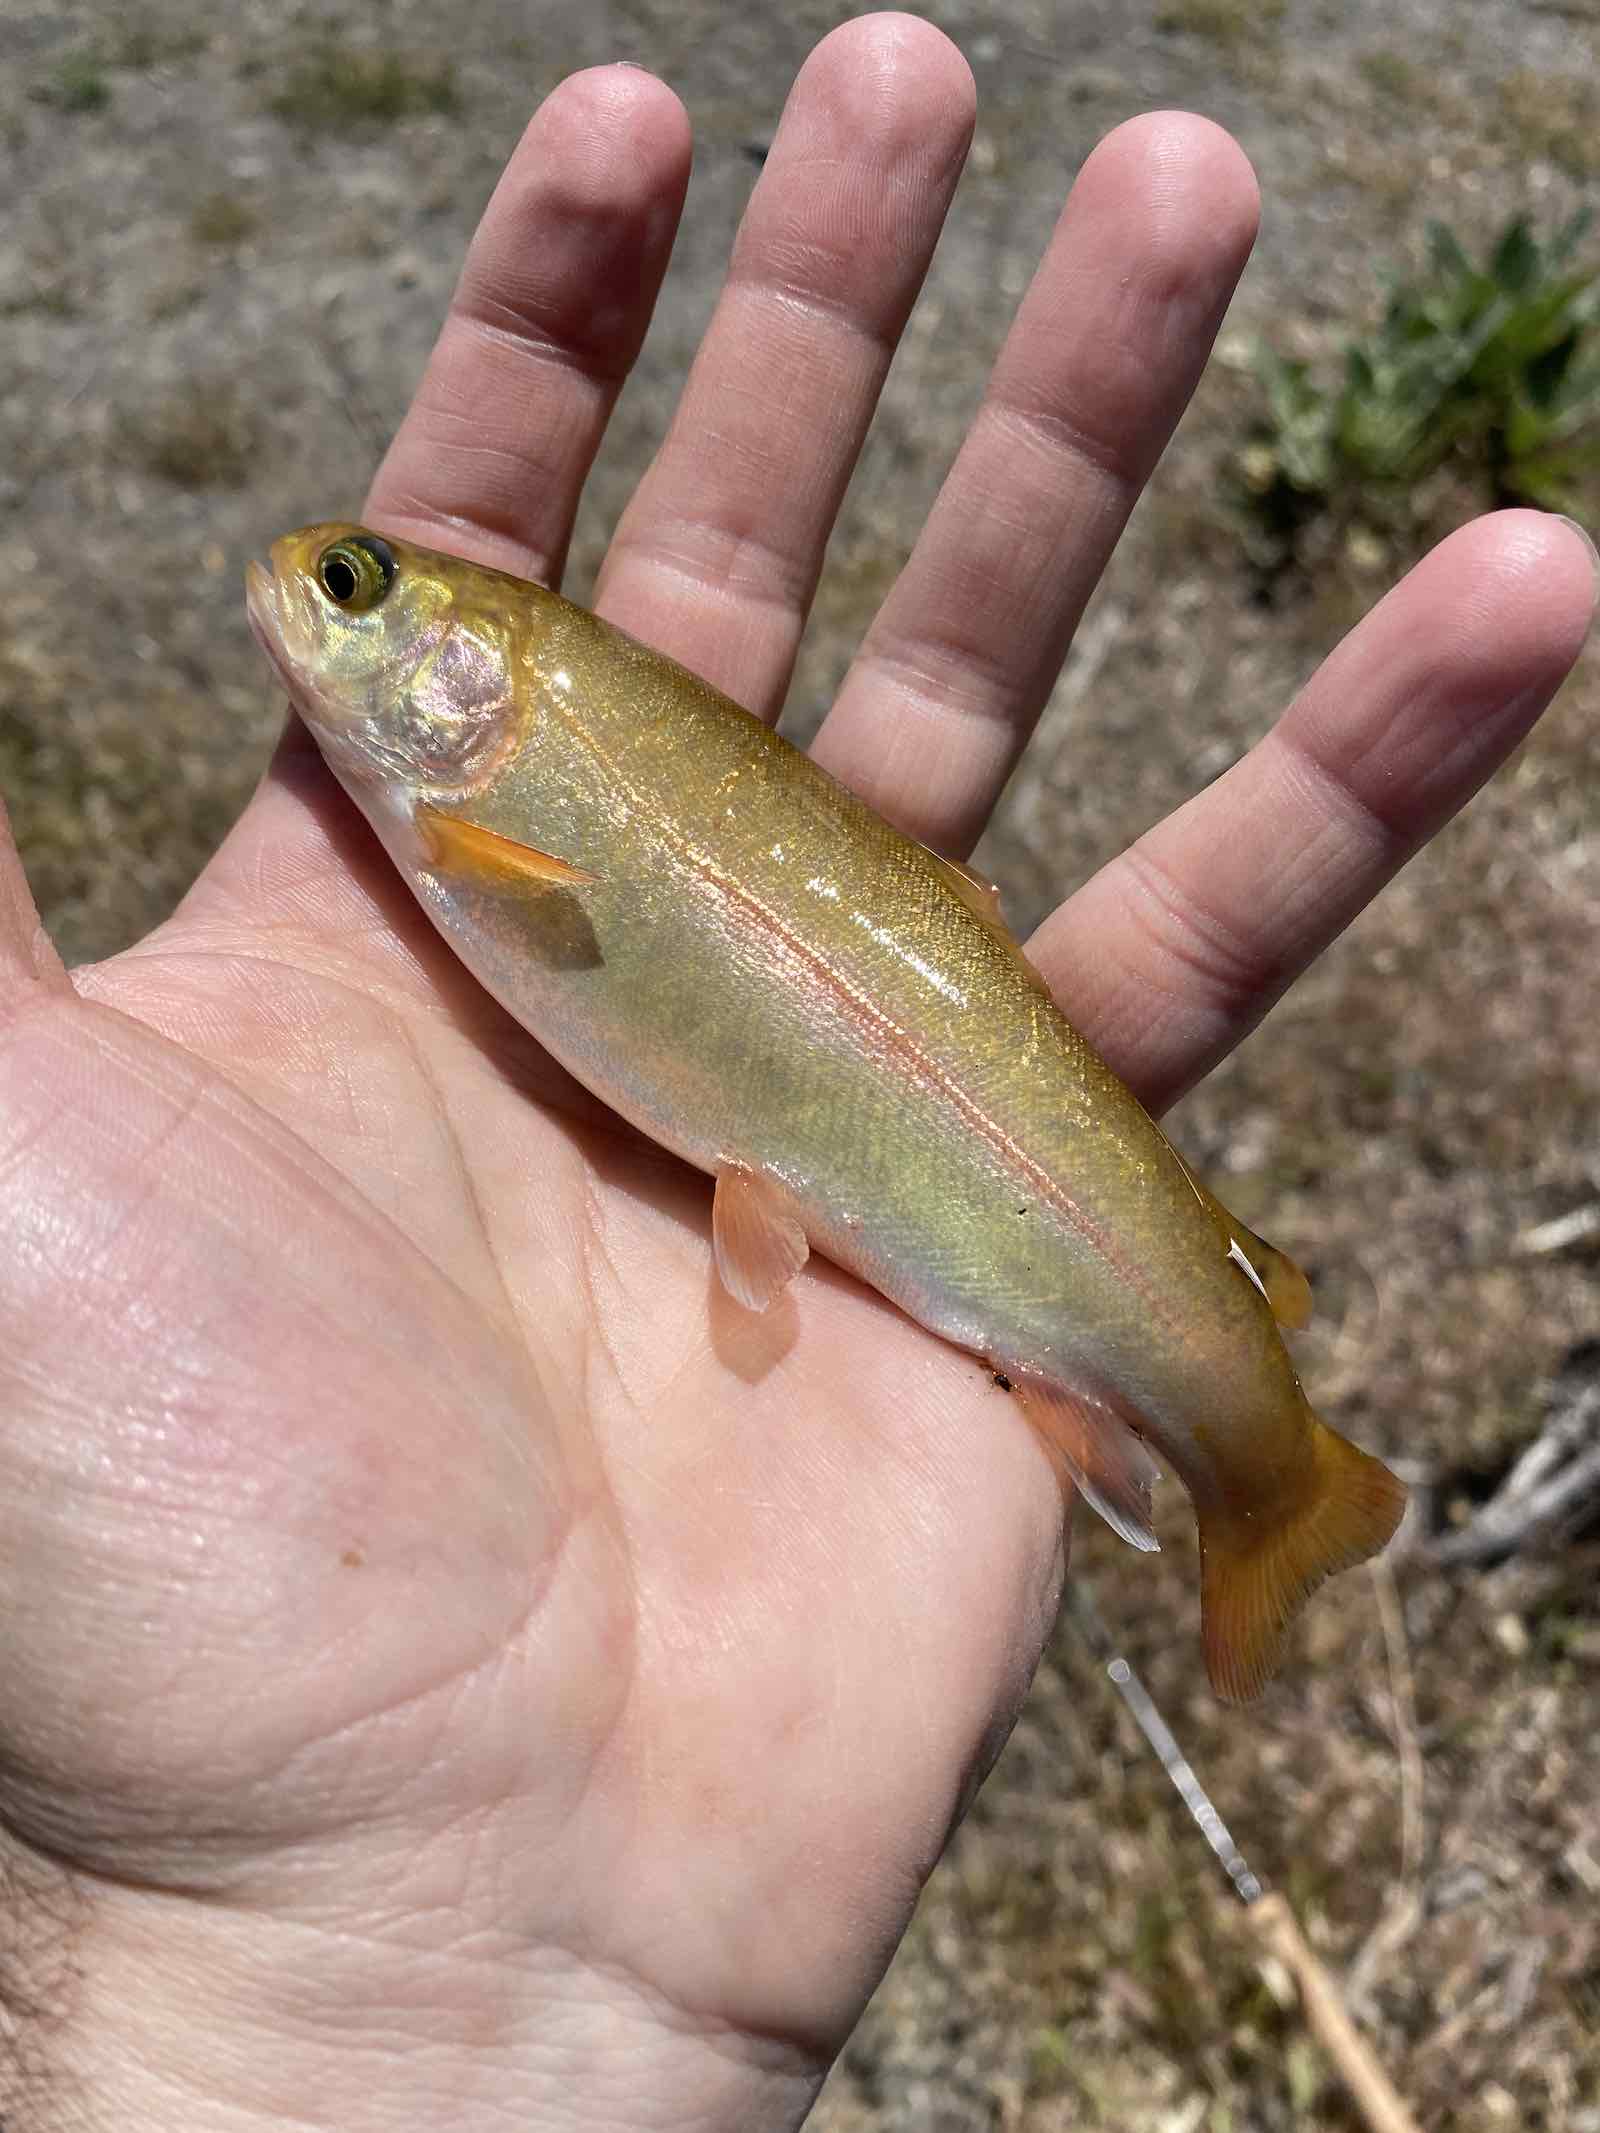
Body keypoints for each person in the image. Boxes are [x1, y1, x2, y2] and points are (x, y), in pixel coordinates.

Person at [0, 16, 1591, 2130]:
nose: (324, 596)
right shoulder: (460, 793)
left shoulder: (476, 782)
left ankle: (1259, 1463)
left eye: (368, 594)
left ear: (465, 672)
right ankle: (1252, 1456)